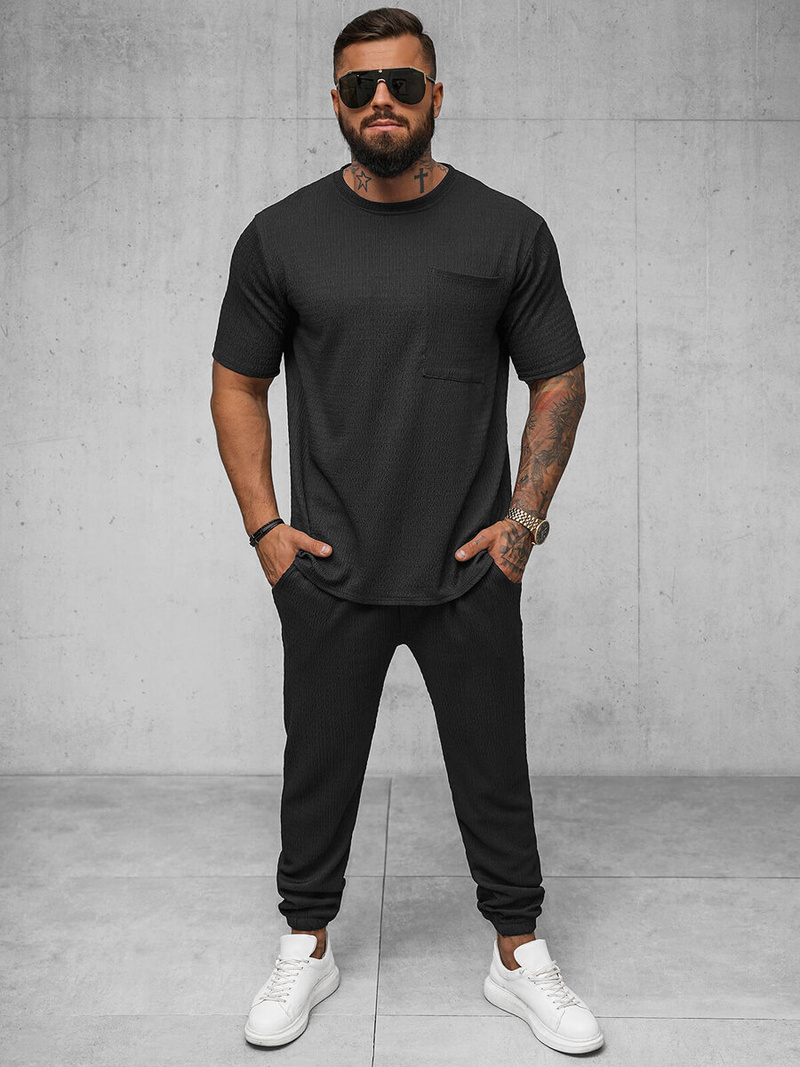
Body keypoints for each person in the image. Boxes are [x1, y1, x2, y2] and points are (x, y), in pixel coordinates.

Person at [210, 6, 603, 1057]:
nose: (379, 99)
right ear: (335, 102)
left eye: (399, 81)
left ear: (435, 94)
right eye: (358, 85)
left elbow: (559, 377)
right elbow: (237, 382)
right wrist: (266, 530)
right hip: (328, 564)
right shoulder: (281, 235)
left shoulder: (507, 231)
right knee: (317, 762)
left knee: (493, 762)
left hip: (468, 564)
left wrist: (523, 523)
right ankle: (306, 944)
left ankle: (517, 953)